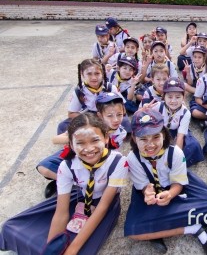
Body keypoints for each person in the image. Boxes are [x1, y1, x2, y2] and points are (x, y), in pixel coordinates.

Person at [0, 113, 128, 254]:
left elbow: (102, 207)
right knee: (12, 228)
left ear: (106, 138)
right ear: (71, 145)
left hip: (104, 206)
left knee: (79, 250)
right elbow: (61, 212)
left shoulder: (118, 162)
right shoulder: (66, 166)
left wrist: (72, 250)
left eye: (94, 140)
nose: (89, 148)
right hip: (79, 197)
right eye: (80, 143)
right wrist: (52, 248)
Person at [124, 109, 207, 255]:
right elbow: (143, 186)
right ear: (135, 139)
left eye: (156, 137)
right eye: (143, 139)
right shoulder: (132, 158)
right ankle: (193, 228)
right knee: (132, 231)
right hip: (152, 188)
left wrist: (170, 194)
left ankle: (157, 228)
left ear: (164, 134)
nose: (150, 145)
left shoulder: (175, 153)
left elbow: (178, 182)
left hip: (175, 185)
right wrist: (147, 192)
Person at [38, 92, 128, 198]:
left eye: (119, 114)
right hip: (77, 153)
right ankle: (70, 182)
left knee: (102, 181)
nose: (116, 120)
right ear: (100, 115)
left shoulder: (121, 133)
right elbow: (55, 139)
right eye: (110, 116)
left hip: (97, 160)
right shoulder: (87, 124)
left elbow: (113, 155)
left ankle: (74, 184)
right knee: (43, 168)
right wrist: (80, 139)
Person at [57, 59, 129, 135]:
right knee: (63, 126)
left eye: (97, 73)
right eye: (89, 74)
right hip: (89, 114)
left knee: (125, 123)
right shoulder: (79, 91)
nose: (94, 78)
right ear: (82, 74)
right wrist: (91, 120)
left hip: (109, 113)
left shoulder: (110, 88)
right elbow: (71, 113)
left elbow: (123, 108)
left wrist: (111, 117)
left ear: (102, 74)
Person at [150, 77, 204, 167]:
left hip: (176, 131)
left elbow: (180, 136)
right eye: (169, 96)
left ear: (184, 96)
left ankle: (178, 162)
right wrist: (142, 109)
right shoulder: (158, 106)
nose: (173, 101)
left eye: (178, 97)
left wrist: (175, 155)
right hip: (160, 132)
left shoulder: (185, 112)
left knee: (193, 145)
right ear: (164, 96)